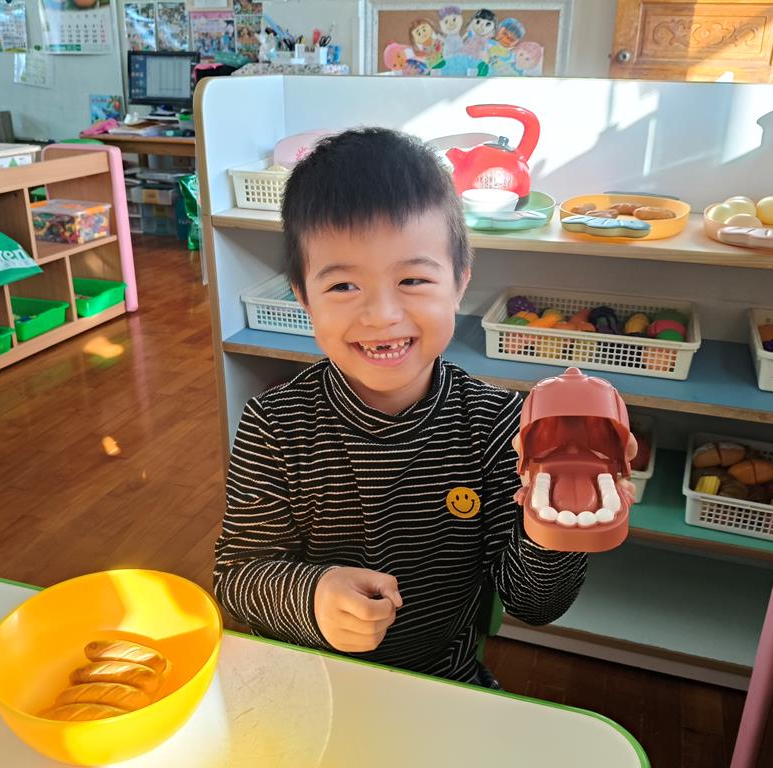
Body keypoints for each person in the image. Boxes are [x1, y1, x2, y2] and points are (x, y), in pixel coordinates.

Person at [214, 128, 622, 687]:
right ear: (303, 297)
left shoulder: (501, 427)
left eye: (412, 279)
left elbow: (534, 604)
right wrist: (312, 595)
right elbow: (237, 575)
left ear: (459, 283)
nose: (382, 314)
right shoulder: (275, 424)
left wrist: (557, 522)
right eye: (343, 287)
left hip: (441, 678)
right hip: (307, 678)